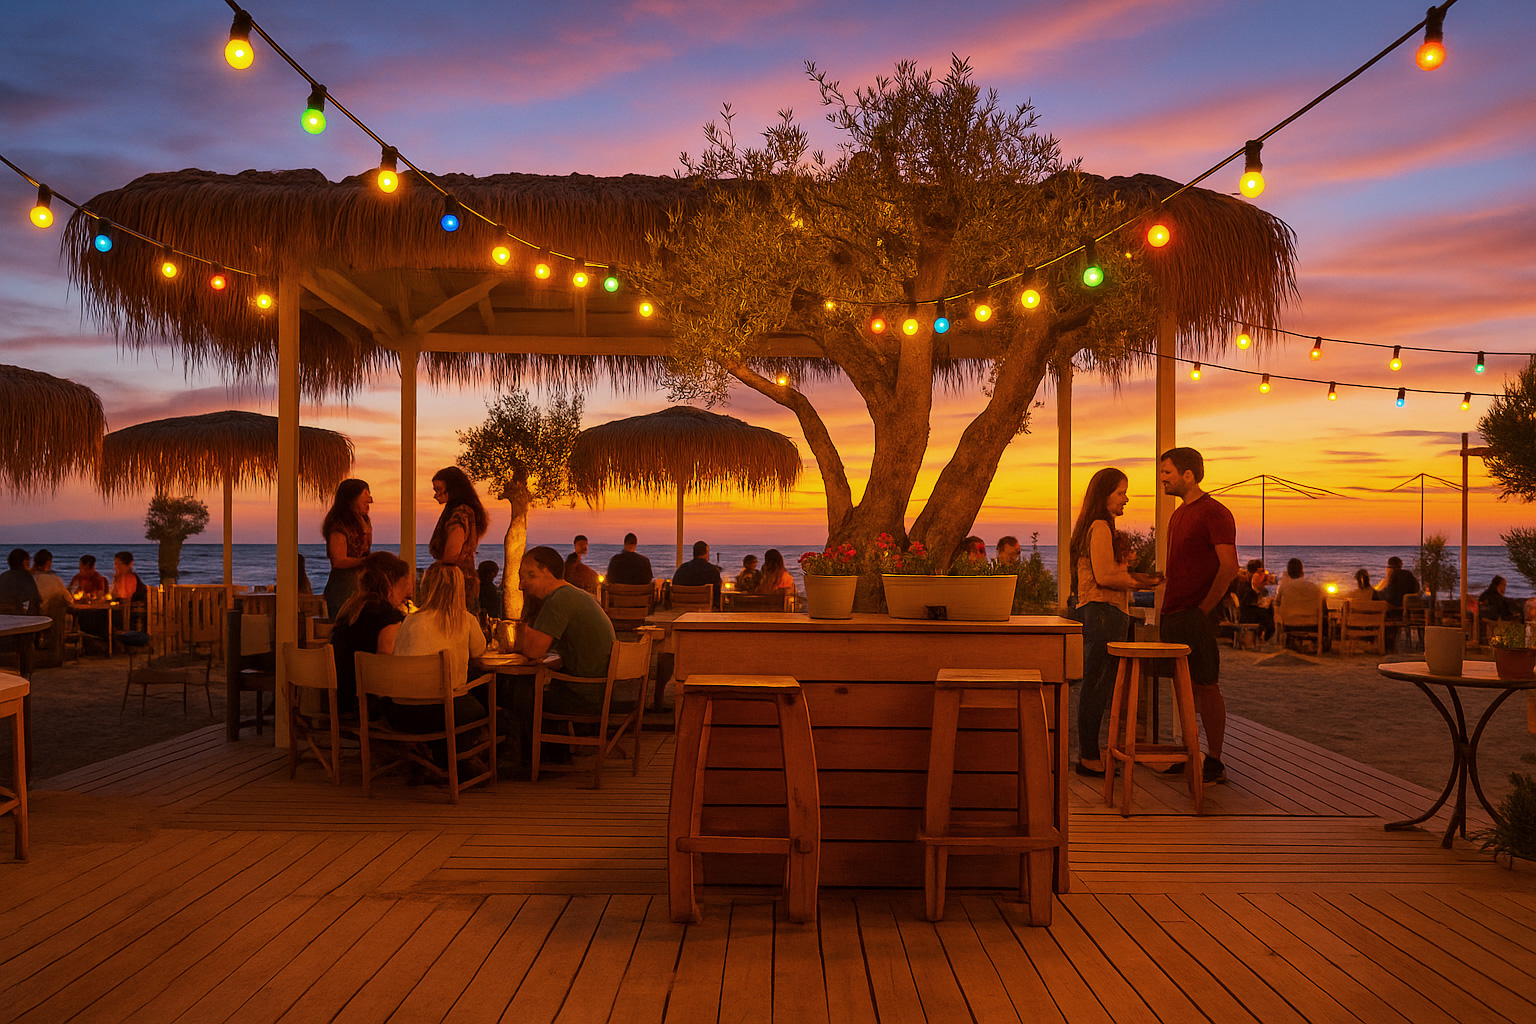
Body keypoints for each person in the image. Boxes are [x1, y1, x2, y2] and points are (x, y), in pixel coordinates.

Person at [1069, 469, 1162, 778]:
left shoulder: (1098, 527)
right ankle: (1088, 756)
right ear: (1104, 494)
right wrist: (1142, 582)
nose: (1126, 498)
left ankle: (1091, 753)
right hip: (1103, 611)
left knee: (1099, 684)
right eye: (1121, 492)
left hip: (1104, 611)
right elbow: (1105, 576)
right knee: (1097, 685)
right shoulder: (1099, 526)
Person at [1158, 447, 1238, 785]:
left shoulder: (1214, 512)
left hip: (1196, 614)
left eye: (1167, 472)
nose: (1162, 479)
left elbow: (1229, 567)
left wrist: (1204, 609)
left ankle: (1215, 759)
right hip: (1173, 613)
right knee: (1183, 686)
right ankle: (1189, 750)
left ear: (1188, 475)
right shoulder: (1178, 515)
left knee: (1207, 685)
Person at [513, 546, 619, 758]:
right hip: (601, 690)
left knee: (517, 693)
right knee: (528, 688)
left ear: (546, 572)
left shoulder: (558, 600)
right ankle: (553, 752)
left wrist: (519, 627)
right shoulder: (576, 595)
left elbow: (534, 652)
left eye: (529, 576)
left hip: (585, 696)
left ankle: (537, 758)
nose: (521, 585)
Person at [390, 564, 488, 761]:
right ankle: (457, 760)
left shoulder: (410, 620)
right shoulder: (465, 619)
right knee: (481, 702)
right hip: (443, 712)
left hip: (401, 713)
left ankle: (440, 759)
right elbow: (479, 651)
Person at [329, 551, 411, 715]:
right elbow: (386, 670)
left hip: (341, 703)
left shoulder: (348, 612)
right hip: (367, 708)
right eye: (403, 583)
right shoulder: (388, 618)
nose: (407, 592)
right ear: (390, 582)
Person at [429, 466, 490, 614]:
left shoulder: (460, 513)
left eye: (439, 489)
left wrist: (435, 576)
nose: (435, 495)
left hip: (455, 586)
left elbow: (452, 554)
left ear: (453, 488)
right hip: (462, 582)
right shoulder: (466, 511)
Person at [322, 479, 373, 619]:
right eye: (365, 494)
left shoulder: (364, 521)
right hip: (343, 586)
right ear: (352, 498)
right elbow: (339, 561)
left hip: (360, 584)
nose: (369, 499)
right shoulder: (339, 525)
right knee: (345, 622)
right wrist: (367, 561)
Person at [1274, 557, 1325, 651]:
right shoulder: (1315, 587)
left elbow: (1276, 603)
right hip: (1313, 625)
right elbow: (1322, 604)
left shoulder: (1284, 587)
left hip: (1290, 625)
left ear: (1288, 572)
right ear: (1302, 572)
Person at [1377, 555, 1421, 649]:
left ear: (1389, 567)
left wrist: (1377, 591)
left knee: (1377, 608)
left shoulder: (1393, 575)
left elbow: (1389, 595)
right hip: (1406, 610)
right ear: (1401, 565)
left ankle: (1383, 643)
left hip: (1393, 609)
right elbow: (1417, 590)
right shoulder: (1408, 575)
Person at [673, 540, 724, 609]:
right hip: (704, 610)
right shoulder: (713, 570)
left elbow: (675, 585)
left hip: (681, 609)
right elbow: (717, 597)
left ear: (693, 553)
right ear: (706, 554)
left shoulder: (682, 569)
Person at [1236, 558, 1274, 641]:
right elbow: (1247, 603)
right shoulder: (1245, 586)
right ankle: (1264, 637)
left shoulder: (1251, 585)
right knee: (1269, 613)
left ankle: (1264, 636)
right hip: (1246, 615)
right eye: (1260, 573)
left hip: (1250, 612)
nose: (1263, 575)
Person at [110, 551, 149, 630]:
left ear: (128, 565)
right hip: (125, 608)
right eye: (115, 564)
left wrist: (120, 579)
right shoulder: (120, 577)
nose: (116, 567)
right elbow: (114, 594)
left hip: (133, 611)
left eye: (119, 564)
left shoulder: (130, 577)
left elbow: (125, 596)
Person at [0, 548, 41, 615]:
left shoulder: (3, 576)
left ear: (9, 562)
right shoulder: (26, 577)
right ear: (24, 562)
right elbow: (34, 601)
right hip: (16, 615)